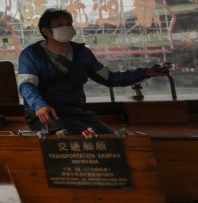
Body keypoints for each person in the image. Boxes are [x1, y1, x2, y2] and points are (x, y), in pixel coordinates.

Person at [17, 8, 170, 135]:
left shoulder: (83, 54)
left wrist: (145, 73)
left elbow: (108, 78)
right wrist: (39, 105)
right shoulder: (31, 55)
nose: (67, 27)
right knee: (89, 136)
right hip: (46, 116)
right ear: (47, 31)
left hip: (76, 113)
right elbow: (26, 85)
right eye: (60, 25)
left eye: (69, 23)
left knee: (111, 138)